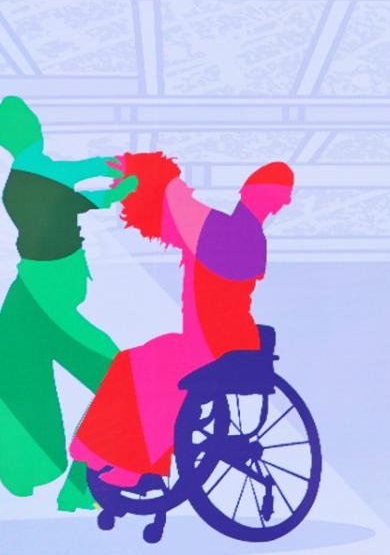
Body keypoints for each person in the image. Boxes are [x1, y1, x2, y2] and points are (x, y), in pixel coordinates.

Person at [71, 153, 295, 485]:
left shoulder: (228, 232)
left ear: (249, 192)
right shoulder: (235, 232)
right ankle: (124, 460)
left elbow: (178, 208)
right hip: (221, 338)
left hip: (216, 342)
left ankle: (132, 466)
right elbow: (179, 218)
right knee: (135, 363)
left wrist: (156, 174)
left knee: (149, 370)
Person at [0, 95, 136, 511]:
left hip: (31, 303)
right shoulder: (40, 176)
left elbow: (75, 179)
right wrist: (125, 181)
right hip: (43, 307)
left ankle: (70, 484)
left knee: (37, 391)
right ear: (30, 131)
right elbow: (82, 185)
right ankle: (81, 487)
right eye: (33, 123)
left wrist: (111, 171)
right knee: (121, 380)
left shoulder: (21, 181)